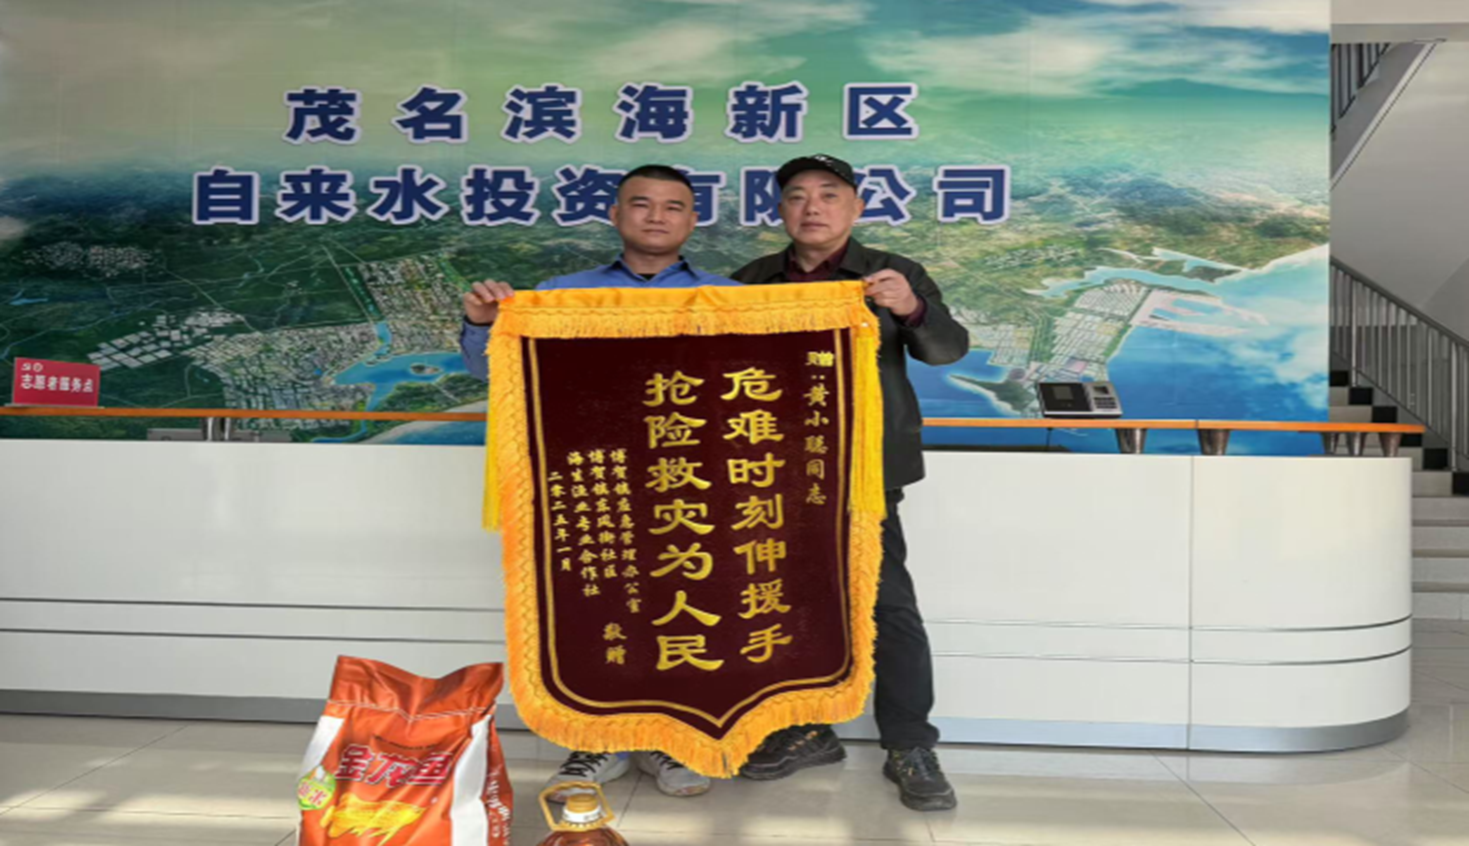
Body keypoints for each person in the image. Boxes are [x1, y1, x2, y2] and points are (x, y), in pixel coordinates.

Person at [459, 164, 739, 799]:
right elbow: (495, 373)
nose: (656, 216)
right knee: (595, 609)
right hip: (592, 479)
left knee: (685, 607)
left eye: (673, 206)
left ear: (693, 221)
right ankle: (595, 741)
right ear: (615, 215)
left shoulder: (728, 298)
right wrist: (481, 322)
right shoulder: (563, 294)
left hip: (690, 486)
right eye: (641, 204)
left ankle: (672, 740)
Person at [729, 154, 969, 812]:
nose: (812, 207)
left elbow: (947, 349)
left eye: (829, 194)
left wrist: (911, 307)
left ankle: (909, 744)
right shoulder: (750, 281)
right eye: (796, 196)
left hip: (864, 472)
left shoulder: (891, 273)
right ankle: (806, 729)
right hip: (771, 475)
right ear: (780, 210)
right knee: (782, 605)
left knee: (886, 605)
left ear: (856, 207)